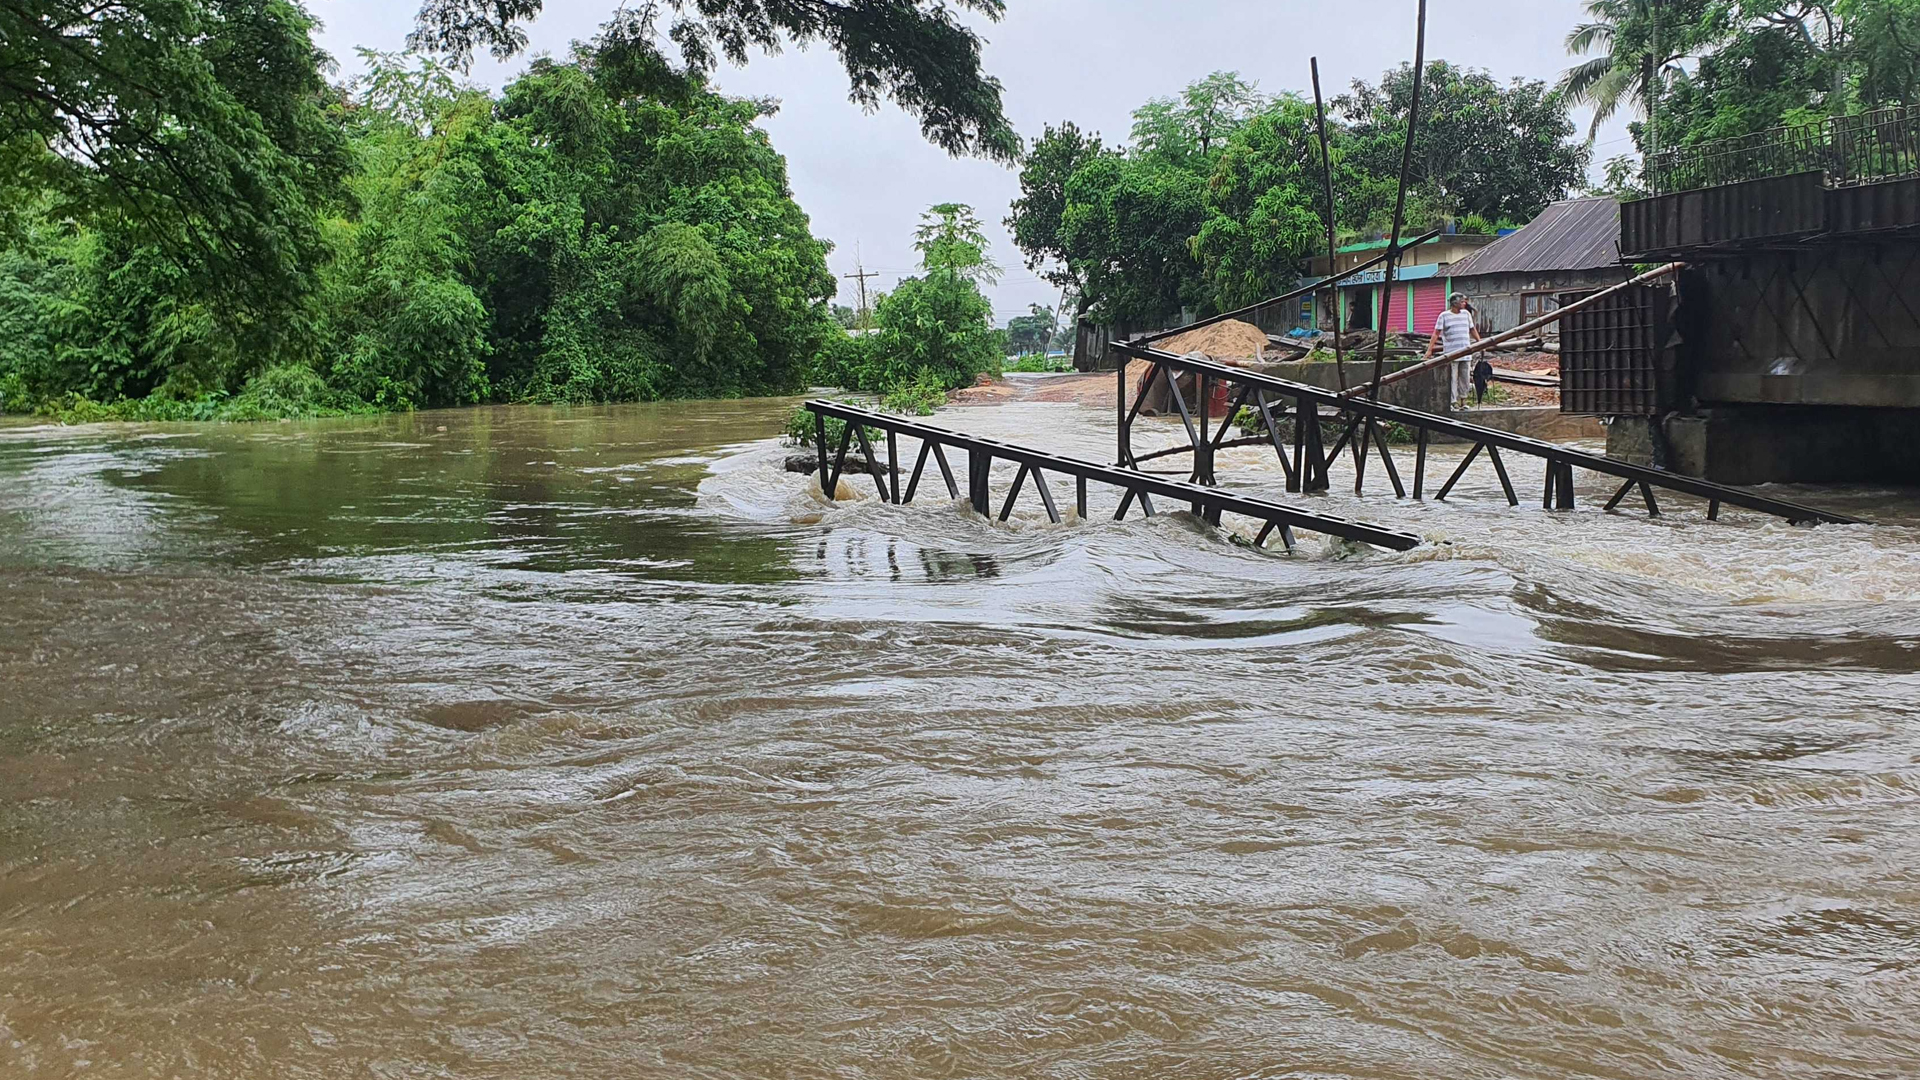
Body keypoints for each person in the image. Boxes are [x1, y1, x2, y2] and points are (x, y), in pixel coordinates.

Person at [1425, 292, 1482, 407]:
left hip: (1466, 351)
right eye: (1462, 302)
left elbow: (1472, 329)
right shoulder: (1444, 316)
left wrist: (1479, 342)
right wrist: (1429, 350)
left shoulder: (1466, 314)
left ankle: (1463, 401)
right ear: (1454, 303)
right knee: (1452, 378)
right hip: (1451, 353)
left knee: (1465, 378)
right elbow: (1436, 334)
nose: (1464, 303)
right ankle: (1453, 401)